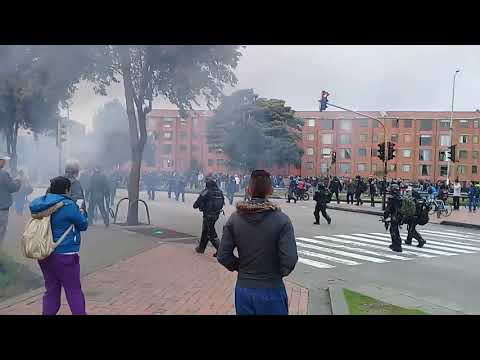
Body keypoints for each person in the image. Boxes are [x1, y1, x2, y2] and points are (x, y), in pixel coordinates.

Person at [217, 169, 298, 315]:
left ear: (248, 189)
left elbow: (223, 255)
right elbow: (290, 259)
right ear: (270, 190)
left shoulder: (235, 219)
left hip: (244, 289)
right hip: (272, 288)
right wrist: (275, 273)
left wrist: (241, 268)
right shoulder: (282, 220)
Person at [30, 176, 89, 315]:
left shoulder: (40, 204)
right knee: (73, 290)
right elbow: (83, 224)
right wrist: (82, 212)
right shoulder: (68, 205)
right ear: (67, 190)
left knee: (51, 290)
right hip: (66, 255)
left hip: (45, 253)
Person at [193, 178, 224, 256]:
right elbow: (223, 203)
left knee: (211, 233)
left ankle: (221, 251)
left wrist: (198, 205)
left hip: (208, 215)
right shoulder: (220, 192)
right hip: (216, 214)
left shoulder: (206, 191)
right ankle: (201, 248)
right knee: (205, 231)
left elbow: (196, 204)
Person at [0, 154, 21, 252]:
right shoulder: (3, 174)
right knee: (1, 231)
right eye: (3, 160)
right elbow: (13, 187)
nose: (4, 162)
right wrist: (18, 180)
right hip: (2, 209)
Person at [383, 184, 403, 252]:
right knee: (396, 230)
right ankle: (396, 243)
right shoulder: (400, 197)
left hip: (394, 216)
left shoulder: (392, 198)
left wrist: (385, 216)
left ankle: (397, 246)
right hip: (400, 216)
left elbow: (388, 209)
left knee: (393, 230)